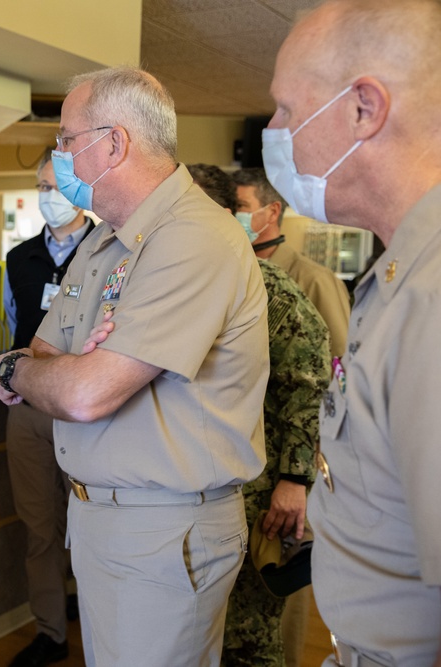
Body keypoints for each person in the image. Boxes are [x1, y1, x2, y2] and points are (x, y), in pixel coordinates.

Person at [0, 66, 269, 666]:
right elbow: (42, 350)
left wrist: (16, 374)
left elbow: (87, 393)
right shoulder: (105, 238)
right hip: (101, 517)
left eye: (67, 139)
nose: (59, 156)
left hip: (163, 528)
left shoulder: (194, 237)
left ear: (113, 143)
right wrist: (50, 367)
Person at [265, 1, 441, 665]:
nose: (276, 130)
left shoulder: (431, 294)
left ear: (363, 108)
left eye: (286, 108)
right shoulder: (399, 272)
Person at [187, 163, 330, 667]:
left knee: (247, 639)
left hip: (252, 497)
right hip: (186, 493)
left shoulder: (270, 288)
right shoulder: (164, 286)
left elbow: (309, 387)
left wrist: (294, 479)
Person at [2, 150, 94, 666]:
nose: (47, 197)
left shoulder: (110, 252)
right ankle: (51, 632)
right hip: (29, 404)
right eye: (39, 187)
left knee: (90, 521)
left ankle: (97, 621)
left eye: (55, 186)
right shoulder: (20, 259)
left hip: (86, 403)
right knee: (39, 524)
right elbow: (17, 324)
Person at [232, 167, 351, 359]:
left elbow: (340, 356)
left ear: (272, 212)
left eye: (240, 206)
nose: (230, 214)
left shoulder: (313, 279)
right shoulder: (231, 272)